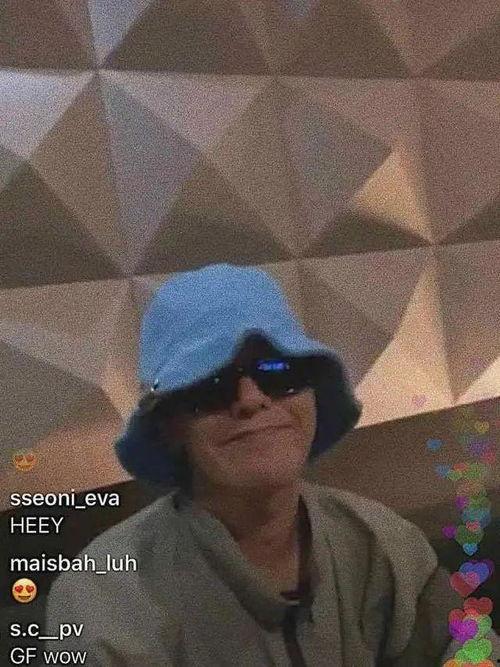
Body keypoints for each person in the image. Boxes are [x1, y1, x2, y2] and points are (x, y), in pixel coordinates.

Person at [46, 263, 499, 666]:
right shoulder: (106, 598)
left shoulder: (380, 541)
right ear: (170, 427)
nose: (251, 399)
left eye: (279, 371)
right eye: (211, 386)